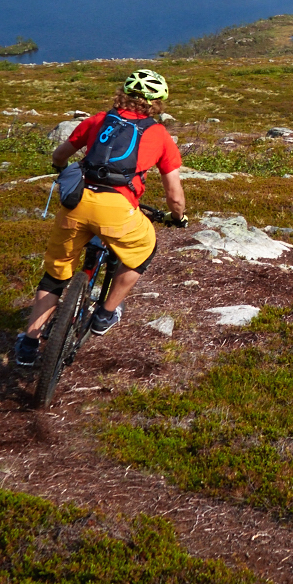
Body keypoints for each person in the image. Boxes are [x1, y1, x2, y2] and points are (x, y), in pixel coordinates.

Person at [15, 67, 189, 367]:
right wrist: (178, 217)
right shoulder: (159, 134)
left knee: (55, 275)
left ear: (123, 94)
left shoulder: (98, 120)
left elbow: (59, 155)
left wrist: (61, 170)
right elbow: (174, 194)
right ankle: (105, 315)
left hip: (77, 201)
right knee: (142, 250)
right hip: (117, 209)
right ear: (157, 103)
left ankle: (29, 345)